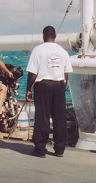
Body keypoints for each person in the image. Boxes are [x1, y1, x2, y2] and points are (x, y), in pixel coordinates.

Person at [26, 26, 73, 158]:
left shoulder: (38, 50)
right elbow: (66, 73)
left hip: (43, 85)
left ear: (43, 36)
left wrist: (28, 89)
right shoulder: (63, 51)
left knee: (42, 116)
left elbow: (33, 74)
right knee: (60, 117)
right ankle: (59, 149)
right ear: (55, 35)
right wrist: (63, 86)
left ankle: (40, 149)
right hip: (59, 84)